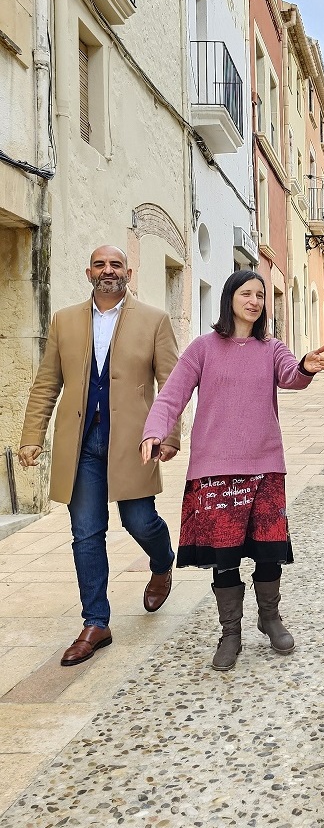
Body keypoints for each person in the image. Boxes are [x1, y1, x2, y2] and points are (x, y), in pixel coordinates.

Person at [141, 269, 324, 670]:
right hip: (215, 469)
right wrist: (155, 431)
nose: (254, 301)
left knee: (268, 552)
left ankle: (270, 617)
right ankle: (230, 632)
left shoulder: (271, 347)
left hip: (265, 467)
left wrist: (308, 367)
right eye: (246, 293)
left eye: (260, 295)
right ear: (230, 298)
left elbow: (290, 377)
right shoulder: (203, 348)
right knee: (224, 556)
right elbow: (171, 394)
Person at [18, 245, 180, 667]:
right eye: (100, 265)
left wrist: (169, 434)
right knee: (86, 533)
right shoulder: (65, 320)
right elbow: (46, 383)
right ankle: (96, 622)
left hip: (134, 442)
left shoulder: (153, 320)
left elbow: (172, 383)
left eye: (116, 265)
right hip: (82, 444)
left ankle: (162, 562)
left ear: (128, 271)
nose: (108, 271)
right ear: (88, 271)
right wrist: (32, 436)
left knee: (139, 521)